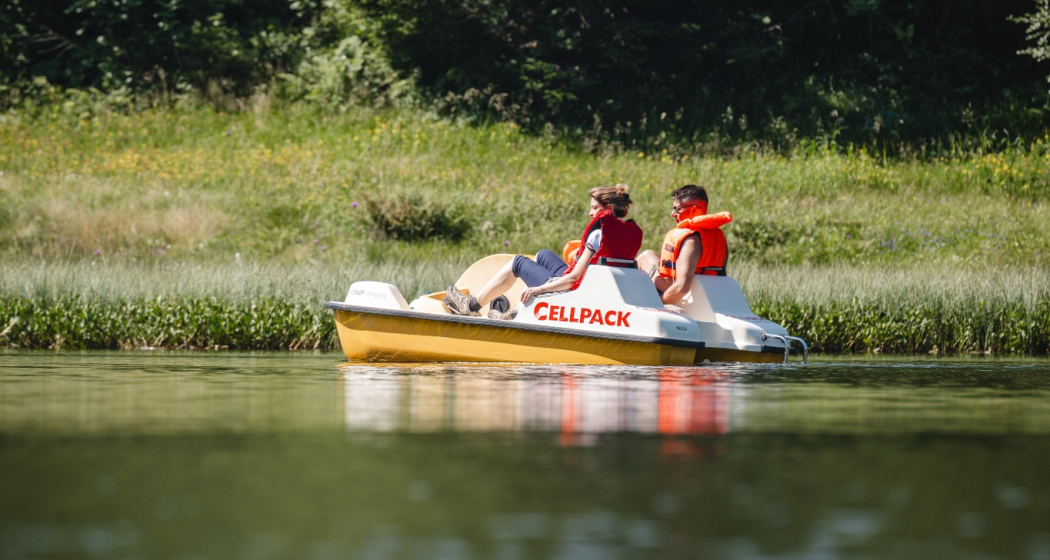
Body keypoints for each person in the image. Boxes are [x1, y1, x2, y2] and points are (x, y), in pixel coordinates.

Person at [446, 184, 643, 318]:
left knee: (518, 263)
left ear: (608, 207)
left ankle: (471, 306)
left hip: (573, 289)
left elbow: (573, 278)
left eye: (594, 208)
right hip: (592, 285)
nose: (590, 213)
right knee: (543, 254)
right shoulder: (628, 232)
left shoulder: (598, 233)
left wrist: (538, 290)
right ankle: (515, 311)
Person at [636, 184, 732, 305]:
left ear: (693, 210)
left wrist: (657, 304)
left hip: (686, 297)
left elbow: (682, 287)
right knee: (648, 254)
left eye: (677, 209)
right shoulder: (715, 236)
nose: (672, 213)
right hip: (708, 292)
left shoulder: (691, 241)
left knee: (645, 257)